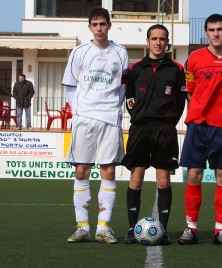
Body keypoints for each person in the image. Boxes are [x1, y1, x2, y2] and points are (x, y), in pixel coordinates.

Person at [177, 14, 222, 246]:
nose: (216, 33)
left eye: (220, 29)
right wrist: (200, 110)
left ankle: (220, 230)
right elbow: (189, 90)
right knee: (193, 175)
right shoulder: (194, 58)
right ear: (206, 32)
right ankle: (191, 228)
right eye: (211, 30)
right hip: (198, 126)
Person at [62, 7, 129, 244]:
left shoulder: (120, 52)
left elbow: (123, 85)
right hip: (85, 118)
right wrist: (78, 112)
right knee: (82, 170)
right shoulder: (79, 52)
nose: (99, 28)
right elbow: (70, 85)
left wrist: (114, 108)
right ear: (90, 27)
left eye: (103, 24)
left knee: (109, 171)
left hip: (110, 117)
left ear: (109, 25)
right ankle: (82, 227)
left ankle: (103, 228)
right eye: (95, 24)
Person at [121, 24, 187, 245]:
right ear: (147, 41)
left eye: (162, 39)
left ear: (167, 42)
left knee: (163, 179)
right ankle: (131, 230)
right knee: (136, 179)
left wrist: (167, 122)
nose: (158, 42)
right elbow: (129, 101)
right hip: (140, 129)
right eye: (154, 38)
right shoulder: (136, 69)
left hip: (165, 131)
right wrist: (141, 117)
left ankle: (164, 231)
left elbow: (179, 104)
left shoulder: (177, 69)